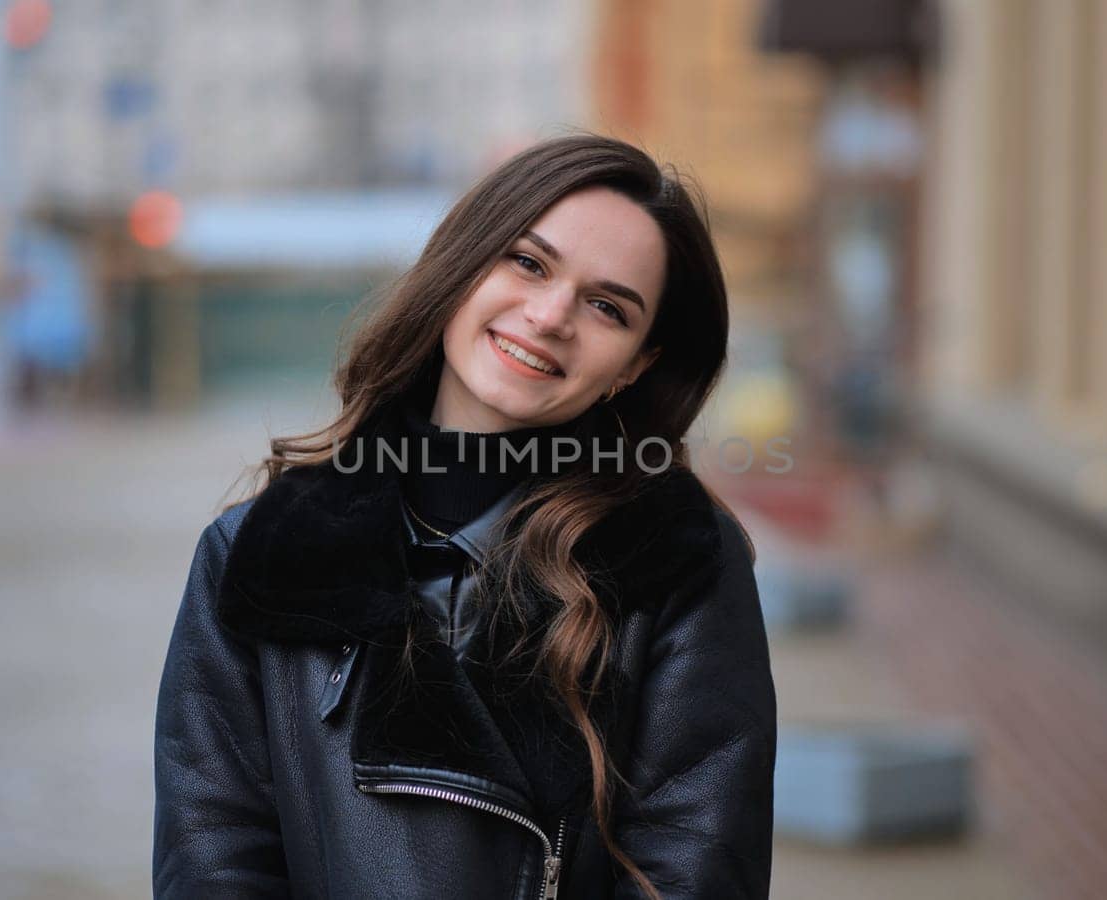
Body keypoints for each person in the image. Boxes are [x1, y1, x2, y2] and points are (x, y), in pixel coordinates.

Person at [153, 134, 777, 899]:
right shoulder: (257, 554)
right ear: (462, 264)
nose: (550, 315)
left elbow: (695, 870)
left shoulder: (680, 563)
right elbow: (214, 857)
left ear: (636, 366)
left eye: (608, 306)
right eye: (528, 262)